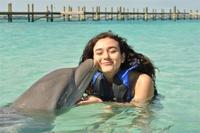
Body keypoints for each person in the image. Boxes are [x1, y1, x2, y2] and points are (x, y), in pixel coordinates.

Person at [78, 31, 157, 107]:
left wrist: (100, 103)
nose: (106, 56)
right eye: (99, 53)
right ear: (93, 59)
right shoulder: (89, 80)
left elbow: (140, 108)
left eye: (112, 51)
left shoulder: (141, 80)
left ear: (122, 57)